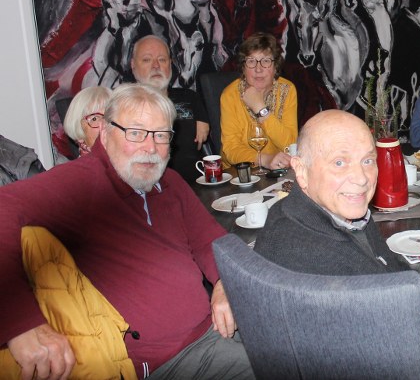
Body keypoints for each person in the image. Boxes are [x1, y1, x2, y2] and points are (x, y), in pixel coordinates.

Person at [0, 84, 253, 379]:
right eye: (136, 133)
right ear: (106, 134)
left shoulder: (169, 181)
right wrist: (21, 325)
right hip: (171, 360)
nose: (151, 148)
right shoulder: (82, 182)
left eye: (161, 135)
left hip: (215, 328)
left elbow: (210, 239)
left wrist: (223, 283)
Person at [254, 110, 420, 380]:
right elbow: (391, 367)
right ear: (301, 170)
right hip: (395, 364)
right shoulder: (321, 265)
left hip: (392, 350)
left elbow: (386, 259)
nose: (361, 178)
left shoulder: (308, 210)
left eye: (367, 160)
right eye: (340, 162)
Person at [130, 35, 210, 181]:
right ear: (133, 65)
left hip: (196, 184)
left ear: (170, 64)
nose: (156, 66)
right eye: (147, 60)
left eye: (162, 60)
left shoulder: (190, 97)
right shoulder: (123, 107)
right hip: (150, 187)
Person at [220, 32, 298, 170]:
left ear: (275, 67)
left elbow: (290, 145)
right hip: (239, 171)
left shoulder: (287, 90)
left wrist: (261, 109)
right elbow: (230, 149)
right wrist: (264, 160)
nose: (258, 69)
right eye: (251, 61)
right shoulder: (230, 95)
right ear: (243, 68)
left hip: (279, 169)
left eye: (266, 61)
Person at [62, 86, 111, 157]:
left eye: (110, 115)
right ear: (79, 128)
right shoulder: (82, 164)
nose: (105, 124)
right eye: (94, 119)